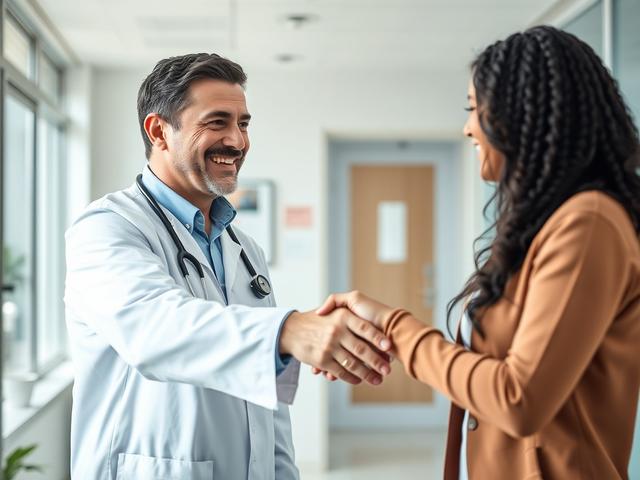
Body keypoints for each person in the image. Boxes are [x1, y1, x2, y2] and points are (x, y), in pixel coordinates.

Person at [315, 26, 640, 479]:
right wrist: (379, 326)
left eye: (474, 108)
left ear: (523, 112)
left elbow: (517, 400)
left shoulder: (589, 224)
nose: (468, 126)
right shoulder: (546, 225)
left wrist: (394, 326)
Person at [64, 53, 392, 480]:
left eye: (243, 123)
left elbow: (264, 396)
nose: (237, 141)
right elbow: (153, 328)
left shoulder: (243, 247)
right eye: (217, 122)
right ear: (158, 130)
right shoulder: (107, 228)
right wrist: (288, 330)